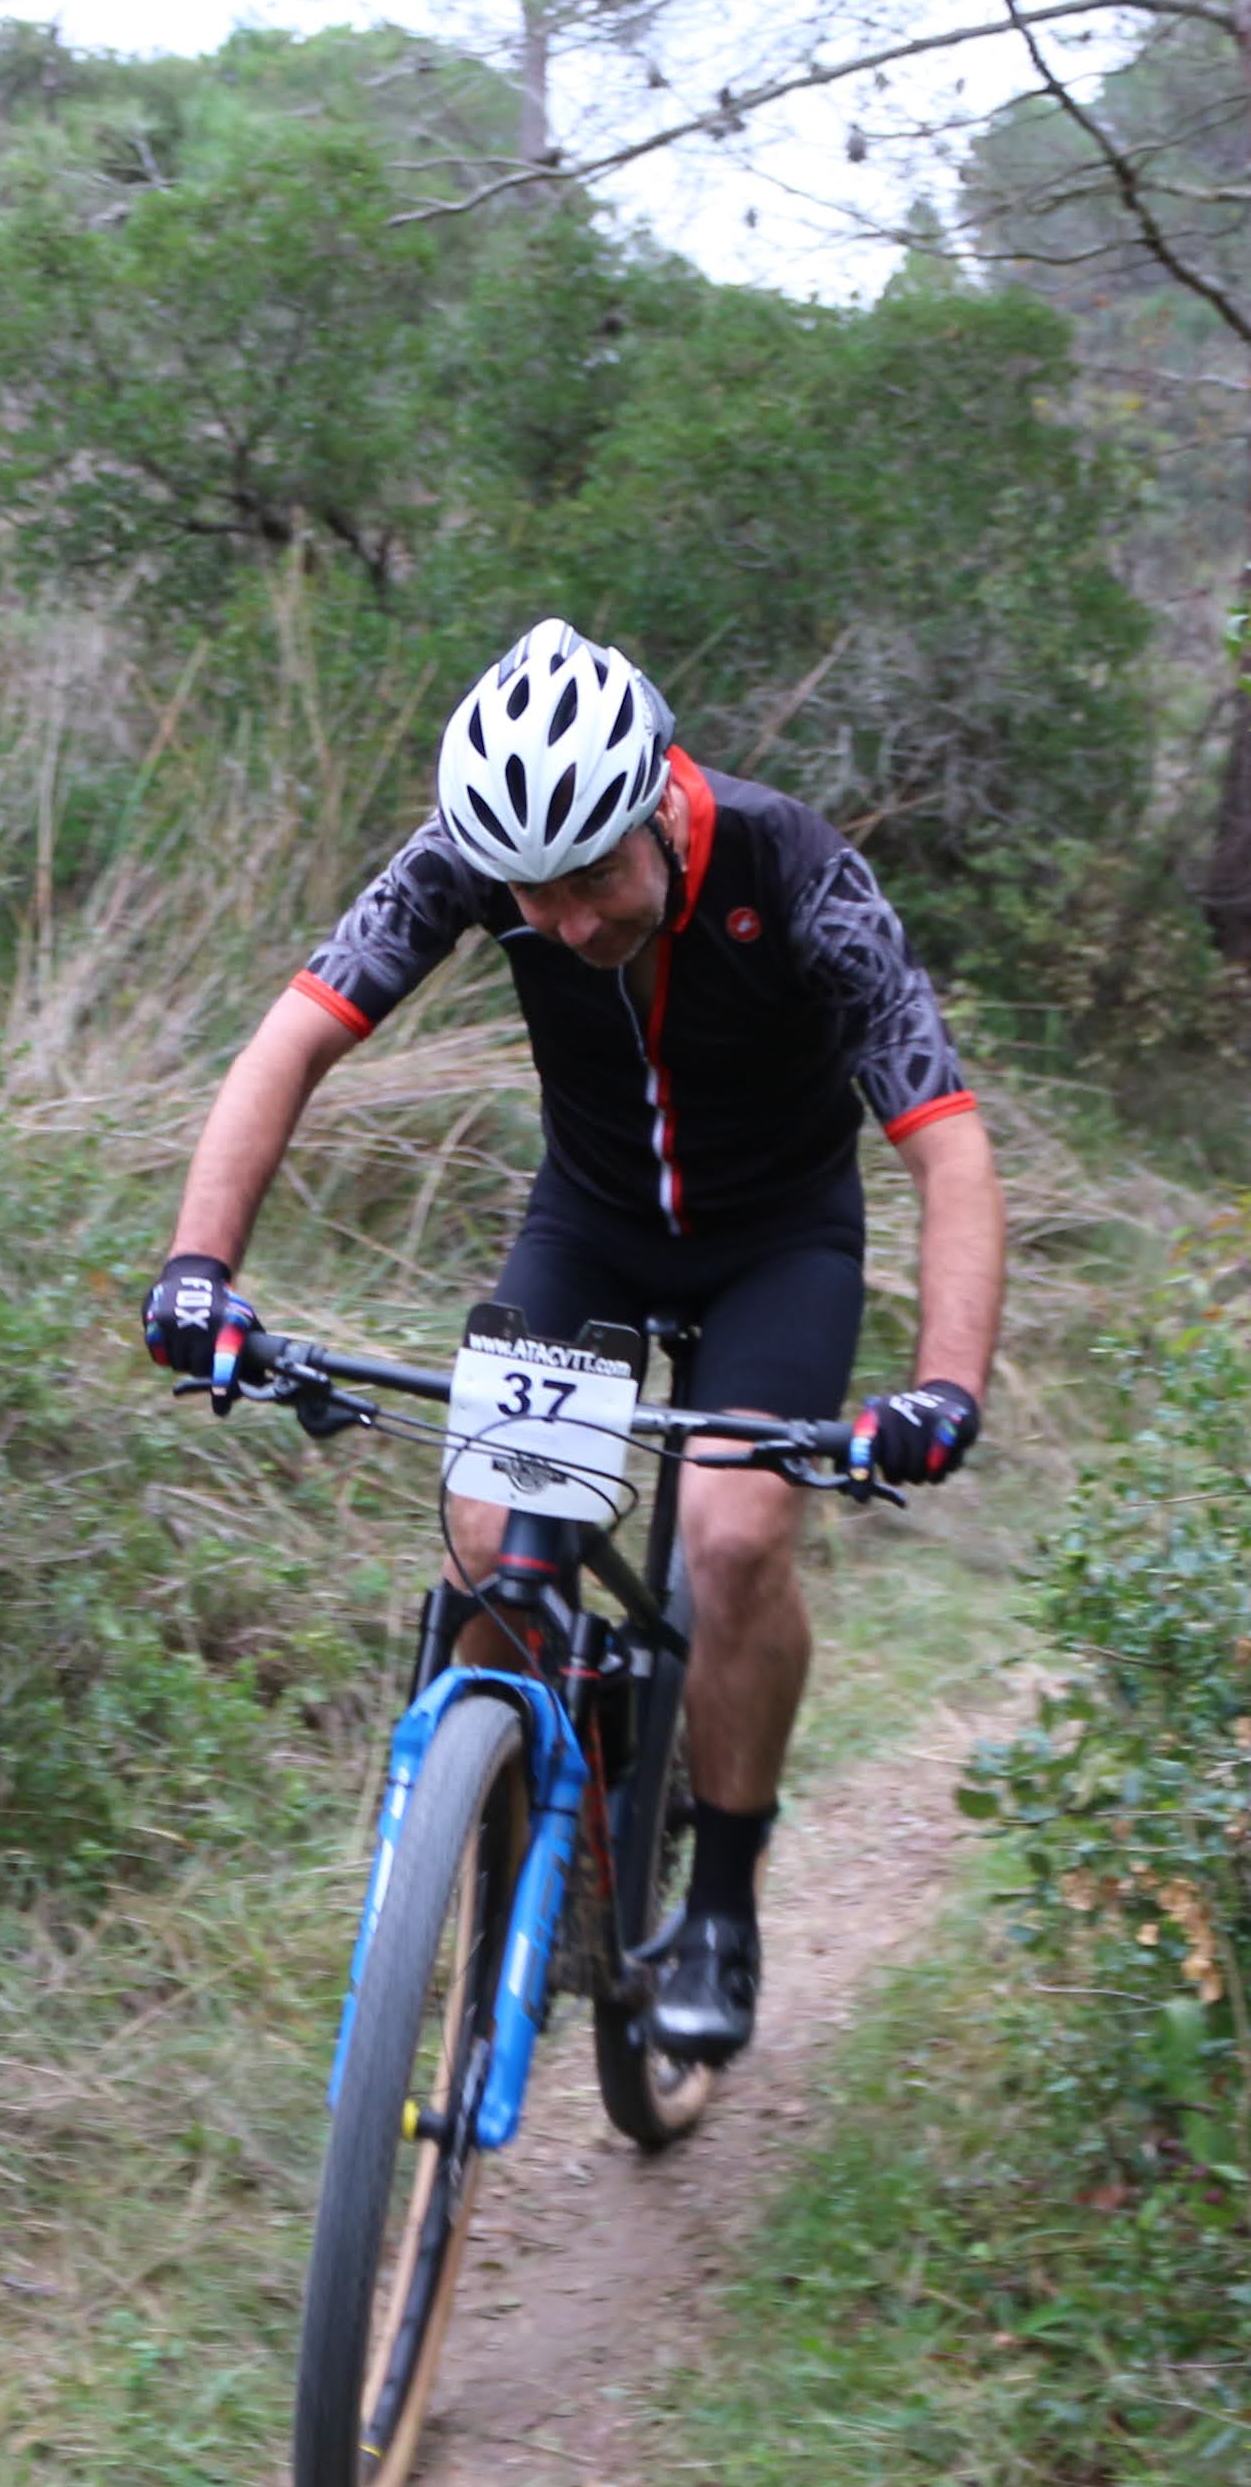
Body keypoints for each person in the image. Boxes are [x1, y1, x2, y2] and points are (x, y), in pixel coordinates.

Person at [139, 617, 1006, 2063]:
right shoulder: (470, 858)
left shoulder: (799, 872)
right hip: (593, 1228)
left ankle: (717, 1902)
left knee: (733, 1533)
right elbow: (292, 1040)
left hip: (777, 1244)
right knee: (488, 1538)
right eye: (533, 896)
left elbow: (946, 1142)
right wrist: (195, 1272)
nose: (569, 924)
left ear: (660, 799)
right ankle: (492, 1848)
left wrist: (943, 1388)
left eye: (595, 878)